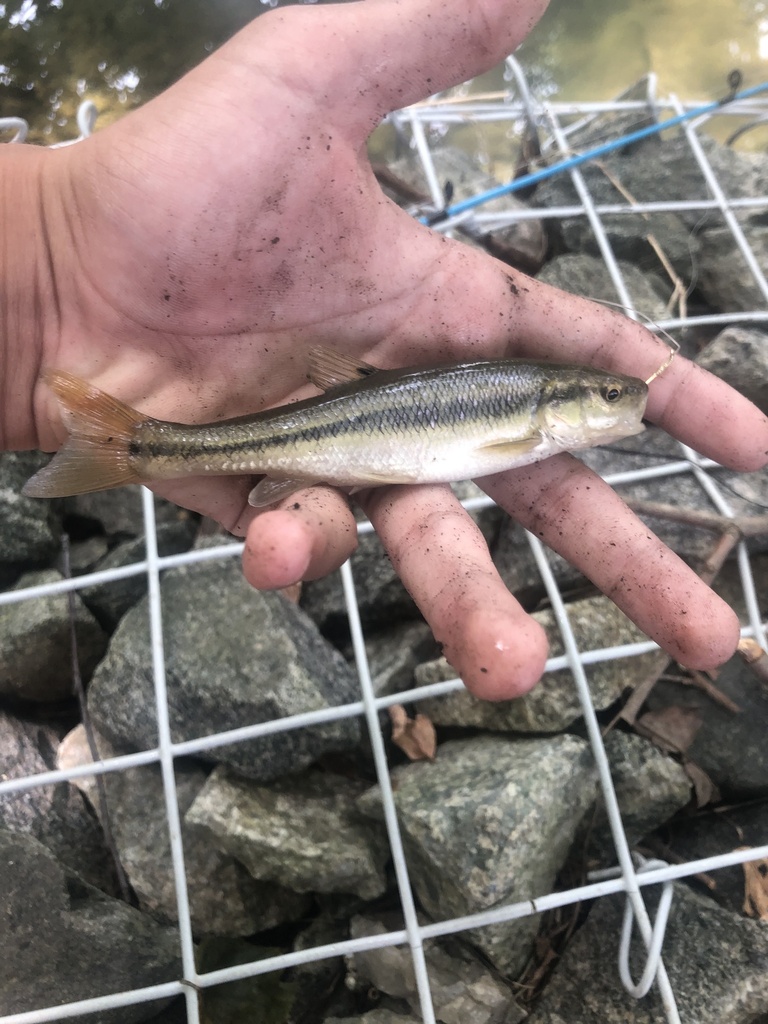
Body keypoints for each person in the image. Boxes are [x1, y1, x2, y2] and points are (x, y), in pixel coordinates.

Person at [2, 0, 766, 700]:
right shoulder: (520, 423)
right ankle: (142, 446)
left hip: (331, 424)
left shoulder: (527, 419)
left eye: (611, 395)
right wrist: (48, 246)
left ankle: (143, 445)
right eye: (602, 395)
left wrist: (47, 247)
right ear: (554, 403)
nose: (620, 399)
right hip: (332, 423)